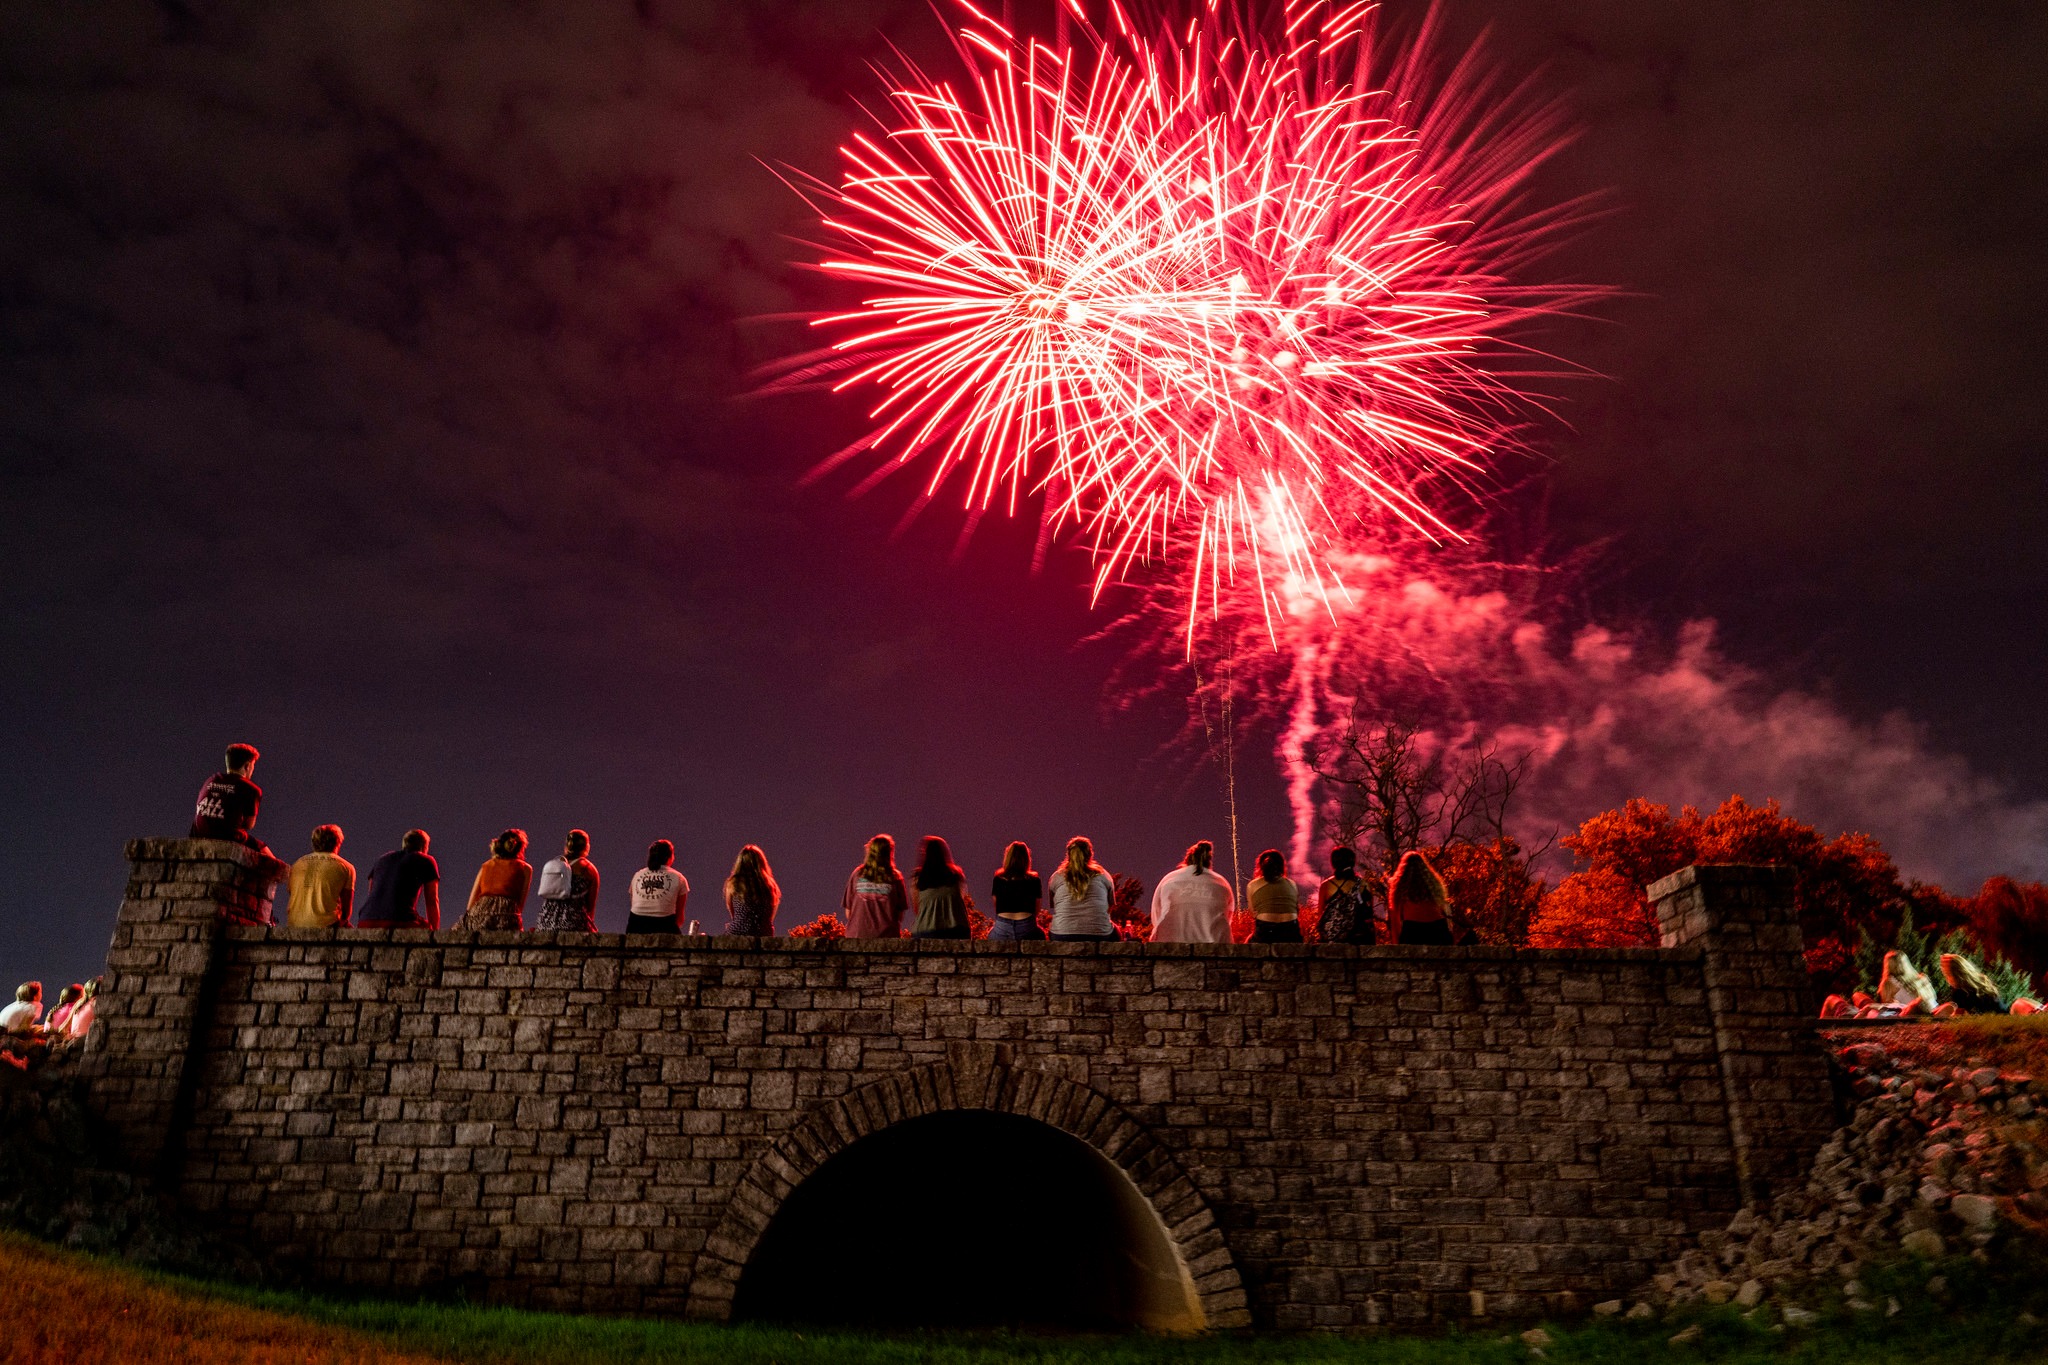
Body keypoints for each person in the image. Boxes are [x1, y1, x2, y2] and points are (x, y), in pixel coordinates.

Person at [1149, 840, 1233, 944]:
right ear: (1209, 862)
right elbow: (1228, 916)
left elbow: (1156, 913)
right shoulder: (1222, 883)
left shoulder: (1169, 879)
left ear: (1187, 859)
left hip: (1169, 942)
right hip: (1214, 944)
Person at [356, 830, 442, 929]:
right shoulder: (426, 860)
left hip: (366, 920)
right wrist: (435, 932)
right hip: (399, 920)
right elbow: (432, 900)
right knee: (425, 928)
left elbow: (371, 892)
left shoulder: (382, 860)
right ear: (424, 847)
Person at [190, 742, 267, 851]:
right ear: (247, 766)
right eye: (253, 765)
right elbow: (249, 825)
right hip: (227, 838)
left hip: (198, 836)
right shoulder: (251, 789)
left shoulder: (210, 780)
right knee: (269, 857)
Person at [460, 829, 533, 931]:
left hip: (479, 915)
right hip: (506, 916)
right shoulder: (525, 868)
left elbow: (471, 902)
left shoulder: (486, 865)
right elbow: (520, 904)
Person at [285, 824, 356, 928]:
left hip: (294, 924)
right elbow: (346, 912)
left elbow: (293, 893)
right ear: (337, 843)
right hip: (326, 925)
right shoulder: (346, 867)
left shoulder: (297, 864)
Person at [841, 835, 911, 939]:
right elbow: (899, 915)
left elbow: (848, 912)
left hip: (856, 937)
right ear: (889, 853)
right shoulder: (896, 877)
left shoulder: (857, 874)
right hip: (887, 938)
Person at [1048, 837, 1117, 942]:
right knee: (1117, 933)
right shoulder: (1103, 876)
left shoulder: (1056, 877)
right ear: (1090, 854)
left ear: (1069, 855)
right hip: (1098, 934)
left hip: (1062, 934)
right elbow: (1111, 906)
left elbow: (1054, 906)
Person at [535, 830, 601, 932]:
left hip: (546, 920)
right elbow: (590, 905)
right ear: (586, 846)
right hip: (572, 921)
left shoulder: (556, 863)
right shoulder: (589, 869)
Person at [1388, 850, 1455, 945]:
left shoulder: (1399, 887)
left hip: (1413, 932)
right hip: (1438, 930)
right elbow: (1444, 911)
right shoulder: (1434, 885)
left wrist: (1397, 947)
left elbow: (1395, 922)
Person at [910, 836, 970, 940]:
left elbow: (917, 908)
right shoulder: (957, 875)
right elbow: (961, 900)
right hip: (956, 929)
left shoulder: (918, 878)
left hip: (926, 930)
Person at [627, 840, 689, 935]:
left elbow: (634, 904)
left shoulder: (637, 875)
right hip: (664, 926)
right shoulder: (679, 878)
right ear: (670, 857)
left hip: (635, 926)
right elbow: (680, 917)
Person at [988, 841, 1045, 942]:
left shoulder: (998, 879)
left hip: (1002, 927)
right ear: (1027, 859)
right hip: (1027, 927)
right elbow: (1036, 910)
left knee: (990, 936)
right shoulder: (1034, 880)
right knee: (1041, 935)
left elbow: (997, 906)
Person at [1315, 846, 1373, 946]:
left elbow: (1321, 915)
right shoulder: (1364, 884)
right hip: (1358, 938)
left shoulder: (1326, 885)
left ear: (1334, 863)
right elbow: (1369, 914)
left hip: (1334, 938)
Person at [1246, 849, 1303, 944]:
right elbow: (1297, 910)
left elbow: (1253, 913)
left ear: (1261, 866)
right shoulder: (1292, 884)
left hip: (1265, 931)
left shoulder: (1252, 885)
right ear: (1281, 866)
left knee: (1248, 943)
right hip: (1290, 930)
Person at [723, 844, 780, 936]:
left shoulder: (734, 883)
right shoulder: (770, 885)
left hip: (737, 931)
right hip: (763, 932)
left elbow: (733, 912)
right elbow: (770, 916)